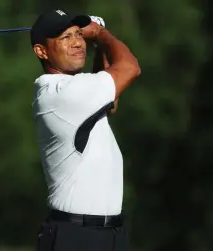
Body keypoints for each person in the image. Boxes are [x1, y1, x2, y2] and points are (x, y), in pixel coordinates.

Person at [30, 8, 141, 251]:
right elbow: (130, 68)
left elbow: (110, 104)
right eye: (65, 37)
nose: (78, 43)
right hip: (76, 236)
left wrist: (100, 47)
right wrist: (101, 34)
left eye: (79, 34)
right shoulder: (59, 93)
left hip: (109, 234)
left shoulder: (76, 91)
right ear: (41, 51)